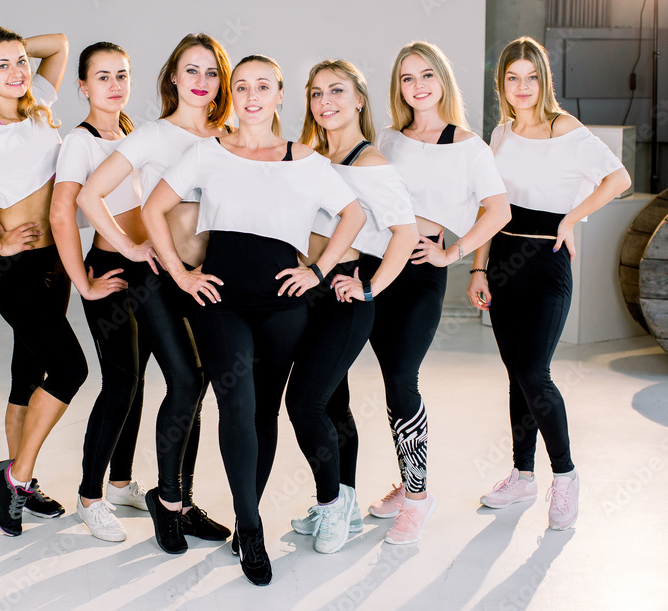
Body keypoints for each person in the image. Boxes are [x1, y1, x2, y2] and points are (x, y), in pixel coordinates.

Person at [142, 54, 366, 585]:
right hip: (222, 302)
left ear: (280, 94)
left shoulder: (307, 160)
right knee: (236, 408)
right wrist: (180, 275)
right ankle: (252, 528)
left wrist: (317, 269)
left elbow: (353, 214)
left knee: (265, 412)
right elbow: (154, 209)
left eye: (262, 86)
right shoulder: (207, 152)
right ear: (233, 95)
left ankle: (247, 522)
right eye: (241, 86)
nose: (250, 95)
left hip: (285, 305)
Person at [0, 27, 104, 537]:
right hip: (16, 272)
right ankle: (16, 475)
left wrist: (13, 51)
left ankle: (17, 479)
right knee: (71, 369)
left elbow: (58, 42)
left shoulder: (40, 106)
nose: (17, 72)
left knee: (25, 376)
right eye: (1, 65)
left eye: (19, 63)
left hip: (54, 263)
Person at [78, 34, 232, 555]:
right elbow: (88, 195)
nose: (201, 81)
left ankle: (183, 504)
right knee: (184, 382)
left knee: (201, 385)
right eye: (191, 71)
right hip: (160, 278)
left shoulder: (229, 136)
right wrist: (128, 246)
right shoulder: (150, 136)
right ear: (172, 78)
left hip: (208, 277)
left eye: (211, 72)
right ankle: (167, 504)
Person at [472, 36, 630, 530]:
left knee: (534, 371)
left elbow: (617, 178)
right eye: (512, 78)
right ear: (502, 83)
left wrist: (571, 219)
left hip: (547, 262)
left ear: (544, 80)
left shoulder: (566, 128)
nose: (522, 87)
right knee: (516, 373)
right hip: (502, 262)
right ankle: (523, 475)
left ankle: (565, 476)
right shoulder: (499, 134)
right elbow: (489, 207)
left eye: (531, 76)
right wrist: (478, 267)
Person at [366, 41, 511, 545]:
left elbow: (499, 211)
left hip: (421, 272)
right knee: (390, 379)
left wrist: (456, 255)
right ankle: (407, 485)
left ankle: (420, 496)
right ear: (398, 87)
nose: (418, 85)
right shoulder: (387, 138)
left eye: (427, 75)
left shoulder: (469, 146)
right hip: (376, 265)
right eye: (407, 78)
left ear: (442, 80)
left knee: (404, 377)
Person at [285, 59, 418, 554]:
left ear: (359, 98)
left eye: (336, 91)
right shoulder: (310, 157)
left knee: (304, 403)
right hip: (307, 293)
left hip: (343, 294)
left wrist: (371, 288)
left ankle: (334, 505)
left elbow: (405, 235)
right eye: (316, 93)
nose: (325, 102)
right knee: (334, 405)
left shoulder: (371, 165)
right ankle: (342, 506)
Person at [49, 42, 149, 542]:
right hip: (111, 266)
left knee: (141, 377)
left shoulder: (132, 133)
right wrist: (83, 283)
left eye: (122, 75)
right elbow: (62, 214)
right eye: (103, 77)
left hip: (145, 265)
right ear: (83, 86)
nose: (115, 84)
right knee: (121, 379)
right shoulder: (79, 142)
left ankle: (123, 481)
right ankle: (90, 497)